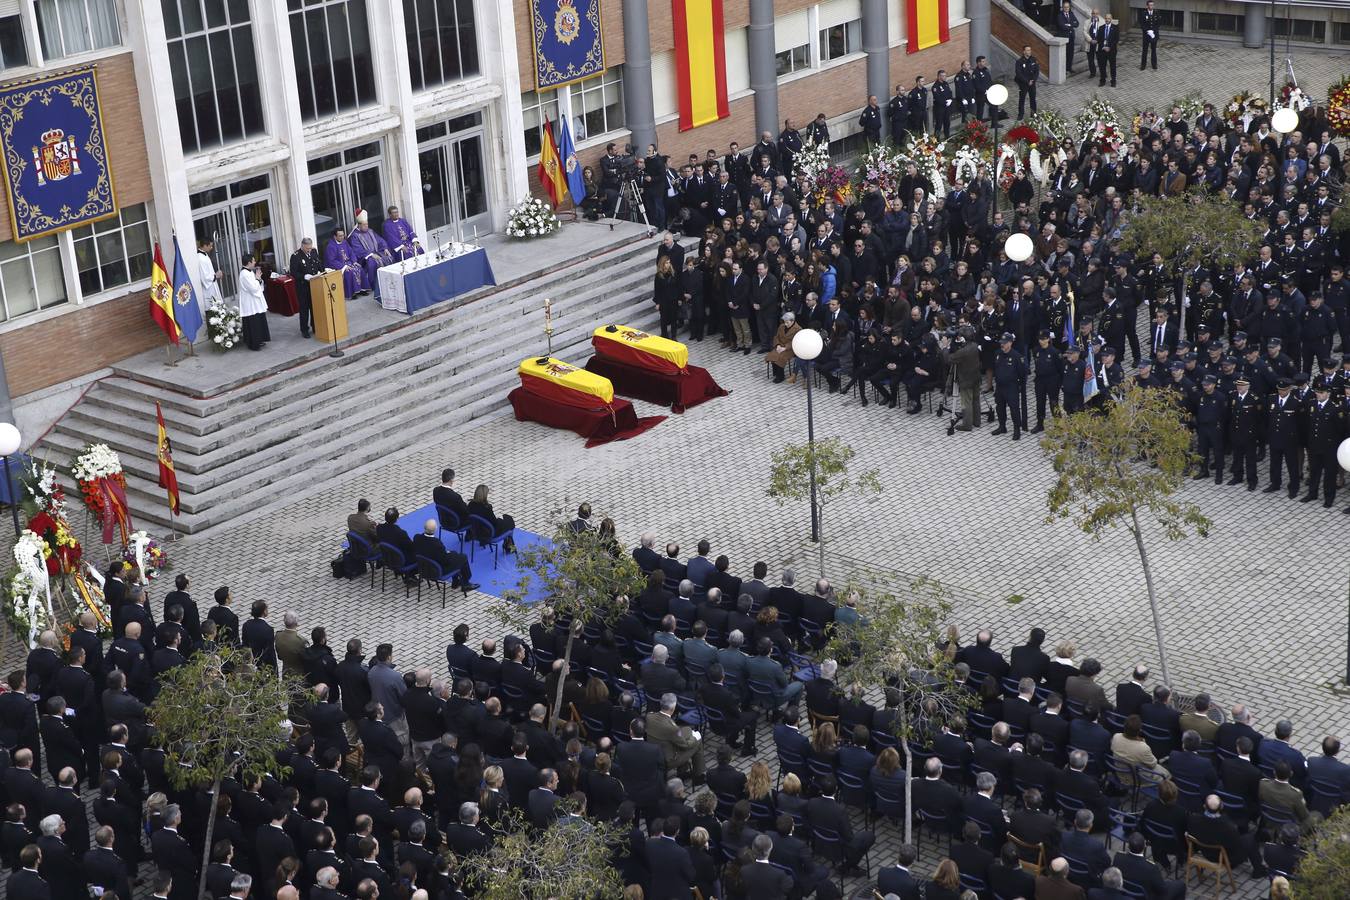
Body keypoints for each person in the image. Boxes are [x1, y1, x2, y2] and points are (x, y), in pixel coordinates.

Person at [411, 520, 478, 594]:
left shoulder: (416, 538)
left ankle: (456, 582)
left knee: (454, 554)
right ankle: (465, 583)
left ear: (424, 527)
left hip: (423, 568)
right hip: (437, 570)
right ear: (435, 529)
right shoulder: (437, 544)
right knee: (463, 557)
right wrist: (449, 554)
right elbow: (445, 561)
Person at [347, 209, 394, 300]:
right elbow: (357, 250)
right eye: (364, 225)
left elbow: (380, 240)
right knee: (372, 262)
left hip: (376, 252)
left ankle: (389, 281)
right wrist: (370, 255)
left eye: (367, 224)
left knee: (389, 257)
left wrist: (385, 248)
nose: (367, 226)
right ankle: (373, 285)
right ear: (359, 225)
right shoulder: (354, 236)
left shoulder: (370, 231)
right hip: (364, 258)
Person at [287, 237, 325, 338]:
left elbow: (318, 263)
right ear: (302, 246)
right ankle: (304, 329)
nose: (309, 250)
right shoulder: (296, 256)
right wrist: (304, 276)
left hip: (315, 284)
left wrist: (321, 271)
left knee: (314, 307)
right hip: (303, 286)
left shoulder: (314, 251)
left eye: (310, 248)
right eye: (307, 248)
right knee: (304, 308)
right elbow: (293, 272)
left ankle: (315, 326)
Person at [466, 485, 516, 552]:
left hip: (476, 532)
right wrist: (500, 521)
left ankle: (508, 543)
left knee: (503, 521)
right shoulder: (487, 508)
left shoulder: (470, 505)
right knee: (510, 522)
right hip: (489, 533)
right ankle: (509, 545)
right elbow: (494, 523)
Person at [237, 254, 270, 351]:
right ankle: (253, 344)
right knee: (253, 323)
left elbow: (257, 286)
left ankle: (259, 340)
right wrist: (258, 279)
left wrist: (258, 279)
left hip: (254, 302)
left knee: (258, 321)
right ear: (248, 262)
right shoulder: (244, 274)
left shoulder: (249, 272)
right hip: (250, 303)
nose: (255, 262)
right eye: (253, 260)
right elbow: (253, 288)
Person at [324, 228, 363, 299]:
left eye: (343, 235)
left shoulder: (345, 242)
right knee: (349, 271)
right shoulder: (331, 246)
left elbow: (351, 252)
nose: (342, 237)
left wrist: (354, 261)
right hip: (339, 266)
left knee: (358, 267)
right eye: (340, 236)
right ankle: (351, 293)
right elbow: (331, 261)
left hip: (348, 262)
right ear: (335, 236)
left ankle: (361, 289)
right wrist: (344, 267)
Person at [653, 255, 681, 340]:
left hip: (673, 299)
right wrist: (657, 302)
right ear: (662, 264)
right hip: (664, 300)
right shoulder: (658, 276)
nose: (668, 264)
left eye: (669, 263)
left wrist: (679, 298)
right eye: (666, 263)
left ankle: (673, 336)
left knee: (674, 319)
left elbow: (678, 286)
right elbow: (657, 290)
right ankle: (664, 335)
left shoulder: (673, 273)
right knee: (663, 319)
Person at [197, 238, 224, 308]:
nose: (212, 248)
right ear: (205, 246)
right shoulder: (200, 258)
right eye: (210, 246)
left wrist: (217, 273)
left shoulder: (205, 255)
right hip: (208, 288)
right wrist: (216, 276)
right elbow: (204, 277)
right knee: (211, 306)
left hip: (212, 284)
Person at [1014, 46, 1040, 119]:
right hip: (1023, 84)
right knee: (1022, 99)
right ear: (1024, 52)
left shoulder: (1034, 60)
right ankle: (1020, 114)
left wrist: (1033, 80)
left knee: (1033, 99)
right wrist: (1027, 81)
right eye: (1027, 50)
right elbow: (1018, 73)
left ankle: (1033, 114)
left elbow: (1037, 71)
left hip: (1032, 83)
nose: (1029, 51)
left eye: (1030, 50)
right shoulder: (1019, 62)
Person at [1095, 13, 1118, 86]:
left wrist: (1109, 47)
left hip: (1111, 50)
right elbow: (1098, 39)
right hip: (1102, 50)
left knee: (1112, 66)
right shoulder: (1101, 28)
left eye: (1109, 18)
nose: (1107, 20)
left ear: (1111, 19)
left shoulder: (1115, 28)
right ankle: (1102, 80)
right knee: (1102, 66)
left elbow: (1116, 40)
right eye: (1106, 18)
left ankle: (1113, 80)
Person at [1138, 0, 1160, 70]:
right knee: (1145, 50)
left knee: (1153, 50)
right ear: (1147, 6)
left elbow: (1158, 23)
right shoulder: (1143, 13)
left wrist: (1153, 31)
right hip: (1146, 35)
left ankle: (1154, 65)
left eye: (1152, 5)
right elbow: (1141, 24)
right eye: (1150, 5)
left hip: (1154, 34)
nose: (1151, 6)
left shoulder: (1156, 13)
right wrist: (1147, 30)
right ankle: (1143, 65)